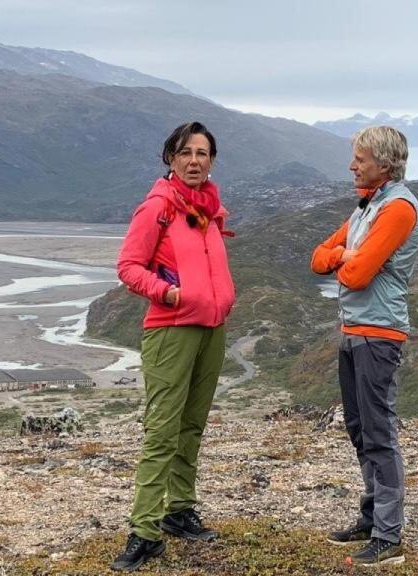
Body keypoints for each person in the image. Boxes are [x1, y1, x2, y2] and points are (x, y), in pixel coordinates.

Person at [111, 121, 236, 572]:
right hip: (171, 330)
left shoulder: (209, 207)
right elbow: (128, 266)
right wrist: (168, 293)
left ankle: (178, 510)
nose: (194, 161)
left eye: (202, 153)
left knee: (192, 426)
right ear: (171, 158)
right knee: (163, 432)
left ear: (212, 160)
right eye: (185, 152)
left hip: (212, 329)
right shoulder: (158, 208)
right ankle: (144, 532)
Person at [310, 125, 418, 567]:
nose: (352, 165)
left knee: (379, 432)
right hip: (353, 331)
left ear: (385, 163)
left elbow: (356, 276)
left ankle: (388, 534)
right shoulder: (366, 207)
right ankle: (372, 515)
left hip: (379, 334)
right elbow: (319, 258)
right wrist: (344, 257)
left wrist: (345, 261)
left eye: (360, 158)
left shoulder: (397, 209)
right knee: (359, 429)